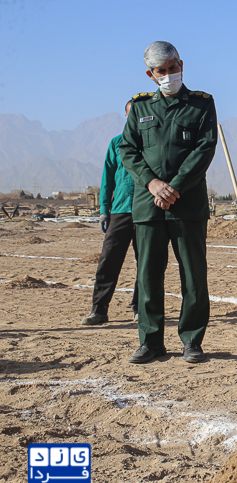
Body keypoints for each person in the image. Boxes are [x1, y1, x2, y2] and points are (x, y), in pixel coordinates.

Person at [119, 41, 217, 365]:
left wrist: (174, 186)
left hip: (187, 205)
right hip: (148, 206)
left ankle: (192, 341)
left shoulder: (202, 104)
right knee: (148, 276)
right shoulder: (140, 107)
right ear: (150, 74)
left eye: (173, 67)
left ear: (181, 65)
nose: (168, 74)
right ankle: (150, 343)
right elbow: (127, 149)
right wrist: (152, 183)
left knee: (193, 276)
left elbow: (205, 148)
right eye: (161, 71)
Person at [81, 99, 139, 326]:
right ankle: (99, 310)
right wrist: (104, 210)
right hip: (120, 210)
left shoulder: (154, 142)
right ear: (126, 116)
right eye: (131, 113)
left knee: (147, 263)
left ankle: (140, 308)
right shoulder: (116, 143)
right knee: (109, 260)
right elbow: (107, 180)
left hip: (147, 211)